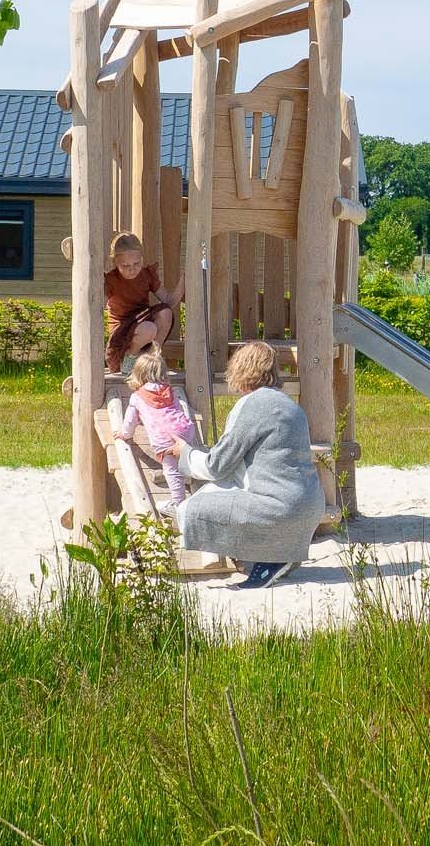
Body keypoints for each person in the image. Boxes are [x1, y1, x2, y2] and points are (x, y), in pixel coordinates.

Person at [169, 342, 324, 590]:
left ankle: (270, 559)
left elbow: (216, 466)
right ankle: (279, 554)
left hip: (280, 510)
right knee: (227, 492)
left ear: (241, 369)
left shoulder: (252, 404)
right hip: (310, 506)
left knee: (192, 508)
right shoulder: (290, 405)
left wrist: (183, 453)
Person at [114, 345, 200, 505]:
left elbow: (130, 421)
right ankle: (188, 471)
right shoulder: (169, 391)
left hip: (166, 437)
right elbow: (171, 410)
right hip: (185, 429)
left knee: (172, 471)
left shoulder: (137, 397)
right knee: (182, 459)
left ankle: (178, 504)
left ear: (138, 374)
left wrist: (124, 434)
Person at [103, 231, 183, 375]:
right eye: (125, 266)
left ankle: (152, 359)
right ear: (114, 262)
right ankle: (129, 358)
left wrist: (184, 281)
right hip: (122, 331)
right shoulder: (111, 280)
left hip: (142, 321)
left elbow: (169, 301)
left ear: (142, 258)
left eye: (136, 263)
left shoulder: (146, 275)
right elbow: (98, 306)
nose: (132, 269)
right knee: (149, 329)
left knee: (166, 312)